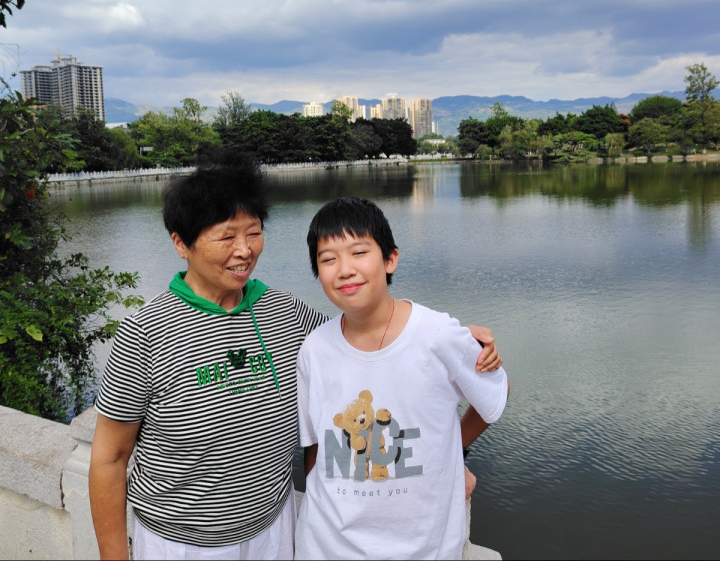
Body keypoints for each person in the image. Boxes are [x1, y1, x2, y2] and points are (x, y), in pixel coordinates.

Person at [88, 150, 503, 560]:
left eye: (253, 233)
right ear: (182, 243)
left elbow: (364, 339)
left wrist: (456, 339)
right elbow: (110, 458)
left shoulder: (284, 312)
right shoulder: (145, 332)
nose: (244, 250)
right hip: (180, 543)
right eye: (226, 236)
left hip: (275, 528)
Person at [295, 196, 510, 560]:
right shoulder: (315, 348)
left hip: (422, 546)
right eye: (328, 259)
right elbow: (315, 446)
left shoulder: (438, 335)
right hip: (326, 545)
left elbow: (493, 397)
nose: (344, 269)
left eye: (359, 252)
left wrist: (451, 450)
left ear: (390, 259)